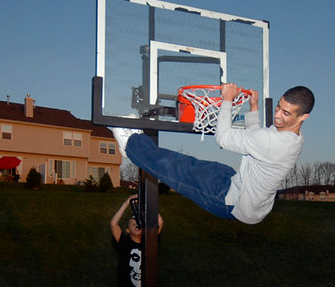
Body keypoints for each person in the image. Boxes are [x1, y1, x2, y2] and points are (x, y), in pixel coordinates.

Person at [112, 84, 314, 225]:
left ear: (304, 116)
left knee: (178, 169)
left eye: (286, 113)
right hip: (241, 188)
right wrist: (253, 107)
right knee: (192, 164)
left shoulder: (274, 142)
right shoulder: (296, 137)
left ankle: (130, 143)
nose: (278, 115)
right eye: (279, 106)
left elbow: (223, 138)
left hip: (233, 202)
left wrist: (227, 100)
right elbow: (256, 139)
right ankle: (137, 144)